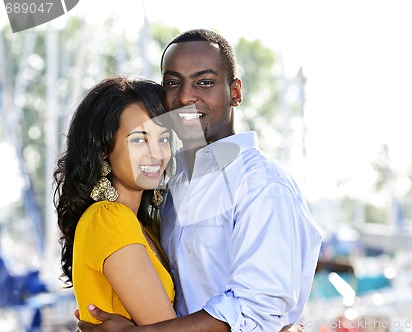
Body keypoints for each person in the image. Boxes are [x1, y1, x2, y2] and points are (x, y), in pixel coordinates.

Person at [78, 29, 322, 332]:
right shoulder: (172, 183)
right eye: (172, 83)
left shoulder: (261, 185)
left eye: (204, 82)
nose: (185, 97)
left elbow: (256, 311)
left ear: (235, 93)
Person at [54, 76, 177, 325]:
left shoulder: (143, 225)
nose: (156, 153)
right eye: (139, 140)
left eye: (163, 139)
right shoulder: (109, 219)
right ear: (103, 148)